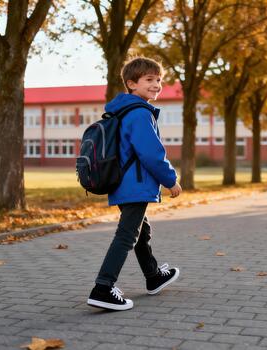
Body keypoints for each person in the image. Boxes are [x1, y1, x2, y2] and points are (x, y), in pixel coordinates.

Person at [87, 57, 182, 311]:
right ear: (131, 83)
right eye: (149, 80)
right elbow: (151, 153)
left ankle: (153, 276)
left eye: (159, 80)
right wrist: (170, 180)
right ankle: (103, 288)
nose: (156, 85)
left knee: (140, 231)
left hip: (123, 182)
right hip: (135, 183)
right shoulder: (139, 113)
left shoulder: (124, 110)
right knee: (127, 234)